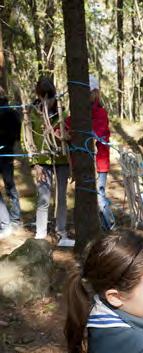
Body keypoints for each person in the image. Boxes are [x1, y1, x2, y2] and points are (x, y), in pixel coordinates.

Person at [65, 75, 115, 230]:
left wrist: (73, 133)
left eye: (88, 93)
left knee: (99, 197)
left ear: (95, 93)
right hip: (85, 163)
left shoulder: (100, 113)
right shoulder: (79, 114)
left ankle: (111, 227)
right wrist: (60, 130)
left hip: (99, 163)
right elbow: (67, 123)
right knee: (89, 196)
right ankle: (100, 227)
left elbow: (95, 134)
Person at [29, 76, 72, 245]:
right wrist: (35, 163)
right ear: (39, 96)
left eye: (50, 97)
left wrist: (64, 136)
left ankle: (61, 232)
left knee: (61, 197)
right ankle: (40, 234)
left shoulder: (62, 112)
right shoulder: (32, 113)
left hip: (61, 161)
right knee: (43, 198)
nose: (47, 102)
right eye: (43, 97)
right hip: (42, 161)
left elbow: (70, 135)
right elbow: (27, 139)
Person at [0, 87, 22, 239]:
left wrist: (7, 143)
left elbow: (15, 133)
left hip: (6, 155)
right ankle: (5, 221)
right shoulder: (11, 112)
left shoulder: (10, 112)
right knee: (10, 186)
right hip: (5, 154)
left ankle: (14, 219)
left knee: (10, 185)